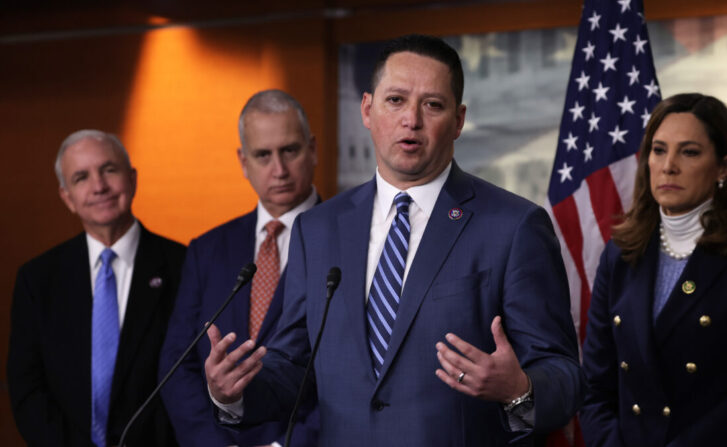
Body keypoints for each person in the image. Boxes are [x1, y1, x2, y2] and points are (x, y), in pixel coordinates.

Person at [204, 34, 583, 446]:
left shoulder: (514, 227)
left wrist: (519, 388)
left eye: (433, 105)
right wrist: (234, 392)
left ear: (458, 120)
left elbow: (564, 375)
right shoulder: (318, 229)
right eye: (396, 100)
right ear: (368, 109)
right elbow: (293, 366)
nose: (412, 120)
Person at [580, 93, 727, 446]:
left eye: (689, 152)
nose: (668, 166)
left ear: (724, 168)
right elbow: (594, 388)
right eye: (658, 150)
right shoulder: (619, 255)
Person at [159, 89, 320, 447]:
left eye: (290, 151)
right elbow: (178, 363)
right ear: (243, 162)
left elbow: (353, 372)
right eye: (263, 155)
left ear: (312, 150)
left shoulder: (349, 239)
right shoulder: (207, 249)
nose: (278, 169)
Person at [7, 130, 186, 446]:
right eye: (81, 178)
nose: (99, 186)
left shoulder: (185, 265)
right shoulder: (37, 279)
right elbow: (27, 388)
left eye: (109, 170)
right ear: (67, 198)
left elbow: (191, 378)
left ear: (132, 179)